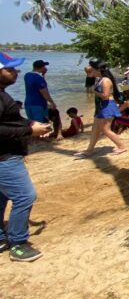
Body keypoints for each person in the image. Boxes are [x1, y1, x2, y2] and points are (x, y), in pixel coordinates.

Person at [0, 52, 52, 262]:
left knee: (1, 198)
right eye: (10, 69)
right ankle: (19, 244)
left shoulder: (2, 94)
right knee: (24, 196)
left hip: (7, 156)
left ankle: (2, 238)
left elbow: (10, 121)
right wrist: (29, 132)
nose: (16, 72)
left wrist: (30, 124)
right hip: (5, 158)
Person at [76, 60, 127, 158]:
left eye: (93, 69)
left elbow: (105, 96)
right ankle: (89, 150)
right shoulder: (100, 79)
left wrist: (94, 91)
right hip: (102, 106)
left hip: (107, 106)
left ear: (98, 70)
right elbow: (88, 72)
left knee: (105, 129)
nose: (91, 70)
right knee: (95, 129)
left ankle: (122, 146)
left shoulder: (105, 80)